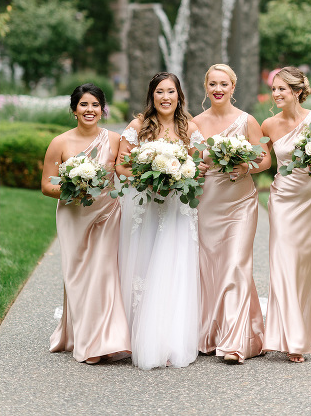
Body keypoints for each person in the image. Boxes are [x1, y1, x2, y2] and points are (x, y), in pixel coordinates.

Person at [118, 72, 204, 369]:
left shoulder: (190, 127)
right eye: (159, 92)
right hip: (147, 205)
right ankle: (139, 337)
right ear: (151, 96)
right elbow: (120, 165)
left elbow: (200, 167)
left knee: (175, 266)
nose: (165, 97)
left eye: (171, 91)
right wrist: (147, 178)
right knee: (144, 265)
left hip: (178, 207)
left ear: (179, 95)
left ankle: (171, 340)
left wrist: (181, 175)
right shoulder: (138, 126)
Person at [41, 83, 131, 364]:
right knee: (77, 275)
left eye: (95, 105)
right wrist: (72, 188)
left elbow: (126, 171)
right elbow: (45, 185)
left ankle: (101, 341)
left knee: (103, 273)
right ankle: (81, 333)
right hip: (73, 215)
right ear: (74, 110)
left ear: (102, 110)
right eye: (83, 105)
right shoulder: (60, 142)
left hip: (106, 213)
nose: (89, 110)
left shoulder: (115, 139)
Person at [193, 64, 270, 364]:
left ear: (233, 87)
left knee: (237, 264)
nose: (218, 89)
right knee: (210, 268)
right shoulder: (195, 123)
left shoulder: (247, 120)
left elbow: (264, 159)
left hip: (240, 203)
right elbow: (190, 163)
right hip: (207, 203)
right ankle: (211, 335)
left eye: (223, 83)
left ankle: (237, 341)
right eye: (212, 83)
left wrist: (245, 165)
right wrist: (196, 167)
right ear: (205, 87)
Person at [261, 66, 311, 363]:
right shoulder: (268, 125)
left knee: (304, 268)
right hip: (282, 201)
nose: (276, 94)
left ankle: (305, 329)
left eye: (282, 89)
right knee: (284, 264)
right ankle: (291, 338)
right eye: (274, 89)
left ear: (298, 92)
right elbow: (263, 162)